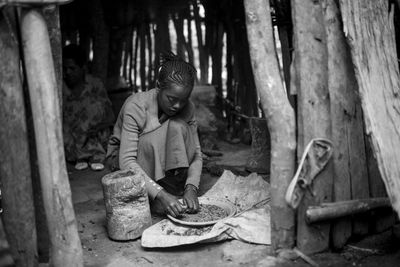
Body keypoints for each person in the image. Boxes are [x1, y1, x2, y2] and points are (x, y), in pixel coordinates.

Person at [106, 52, 202, 217]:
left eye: (183, 100)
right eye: (171, 99)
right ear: (158, 86)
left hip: (157, 166)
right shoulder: (136, 106)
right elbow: (126, 161)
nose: (177, 106)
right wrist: (161, 194)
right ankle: (158, 194)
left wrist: (191, 187)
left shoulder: (188, 108)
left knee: (178, 126)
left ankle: (173, 187)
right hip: (123, 165)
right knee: (163, 132)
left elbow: (196, 154)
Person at [62, 44, 115, 171]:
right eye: (65, 69)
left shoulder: (94, 85)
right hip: (71, 141)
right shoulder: (60, 88)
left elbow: (110, 116)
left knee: (93, 106)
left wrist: (98, 127)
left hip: (94, 138)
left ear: (83, 68)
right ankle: (80, 156)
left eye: (72, 68)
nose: (67, 73)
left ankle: (94, 155)